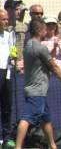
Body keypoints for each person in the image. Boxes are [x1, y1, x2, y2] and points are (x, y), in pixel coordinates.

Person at [15, 18, 61, 149]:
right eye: (45, 28)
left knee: (45, 119)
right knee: (27, 118)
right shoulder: (40, 48)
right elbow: (53, 67)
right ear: (41, 30)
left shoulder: (28, 45)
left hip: (35, 88)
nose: (46, 30)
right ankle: (17, 147)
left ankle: (52, 145)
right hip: (37, 91)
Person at [0, 9, 15, 148]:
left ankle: (6, 138)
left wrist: (14, 57)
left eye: (7, 19)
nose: (6, 22)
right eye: (3, 19)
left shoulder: (10, 34)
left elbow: (12, 51)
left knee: (7, 107)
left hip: (7, 73)